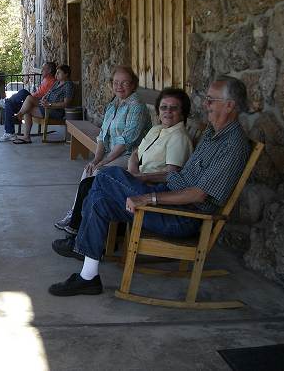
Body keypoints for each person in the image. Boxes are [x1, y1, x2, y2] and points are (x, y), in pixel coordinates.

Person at [48, 76, 251, 296]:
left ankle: (79, 243)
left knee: (106, 176)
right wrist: (146, 179)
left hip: (184, 217)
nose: (206, 104)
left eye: (211, 100)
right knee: (100, 200)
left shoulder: (232, 145)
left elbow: (198, 194)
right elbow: (180, 176)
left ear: (229, 105)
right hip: (171, 199)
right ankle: (88, 276)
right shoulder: (213, 134)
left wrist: (149, 198)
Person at [54, 87, 193, 239]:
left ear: (183, 112)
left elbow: (171, 174)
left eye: (174, 108)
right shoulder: (158, 129)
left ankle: (77, 231)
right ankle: (81, 231)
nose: (168, 112)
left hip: (151, 188)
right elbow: (136, 152)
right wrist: (133, 170)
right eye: (164, 107)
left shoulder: (178, 137)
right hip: (138, 178)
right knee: (92, 183)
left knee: (94, 183)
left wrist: (141, 177)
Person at [54, 66, 152, 229]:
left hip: (131, 156)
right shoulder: (113, 104)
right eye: (116, 82)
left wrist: (103, 162)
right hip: (113, 153)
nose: (119, 86)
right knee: (89, 169)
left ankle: (85, 219)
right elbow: (103, 136)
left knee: (99, 173)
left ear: (133, 85)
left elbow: (125, 142)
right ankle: (76, 213)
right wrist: (96, 159)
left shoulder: (137, 106)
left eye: (125, 82)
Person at [12, 64, 75, 144]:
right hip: (46, 105)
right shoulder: (57, 83)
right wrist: (43, 98)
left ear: (66, 74)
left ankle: (20, 120)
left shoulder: (68, 85)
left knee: (28, 107)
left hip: (55, 110)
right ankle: (20, 118)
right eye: (56, 73)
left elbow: (66, 104)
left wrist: (49, 104)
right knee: (28, 100)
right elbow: (48, 92)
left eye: (59, 73)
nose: (56, 75)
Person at [0, 62, 57, 142]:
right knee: (9, 104)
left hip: (38, 103)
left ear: (49, 71)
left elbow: (47, 97)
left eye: (43, 69)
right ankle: (9, 133)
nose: (41, 70)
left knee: (23, 92)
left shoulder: (53, 82)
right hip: (31, 102)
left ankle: (7, 104)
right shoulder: (45, 79)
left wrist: (33, 97)